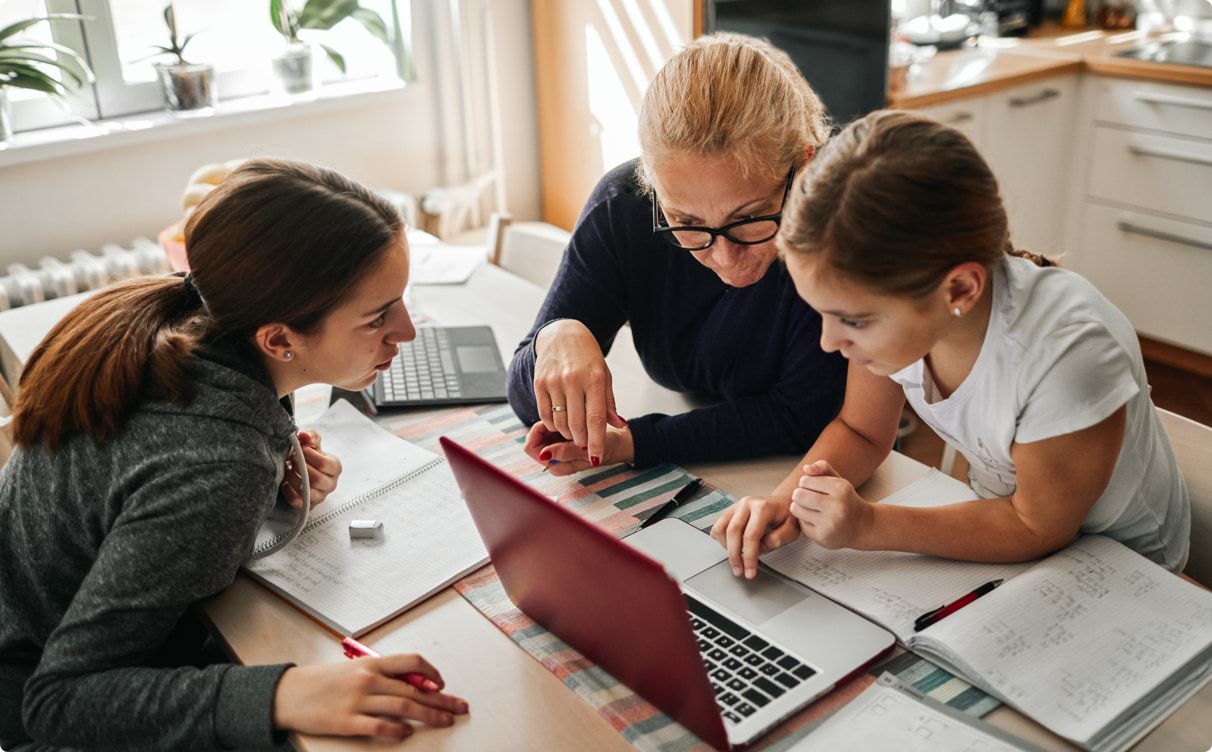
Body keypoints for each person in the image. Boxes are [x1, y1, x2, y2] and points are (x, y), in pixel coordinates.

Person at [0, 160, 469, 751]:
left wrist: (268, 470)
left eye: (401, 301)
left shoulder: (183, 322)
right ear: (278, 340)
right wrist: (285, 695)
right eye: (377, 317)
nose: (406, 332)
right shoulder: (216, 461)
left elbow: (141, 477)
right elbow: (59, 702)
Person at [712, 110, 1190, 578]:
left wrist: (870, 524)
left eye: (851, 320)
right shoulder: (908, 318)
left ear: (960, 290)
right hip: (1003, 523)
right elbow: (861, 430)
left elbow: (1035, 526)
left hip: (1126, 569)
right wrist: (784, 504)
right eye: (822, 313)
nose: (828, 342)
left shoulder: (1068, 353)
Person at [507, 33, 847, 475]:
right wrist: (554, 336)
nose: (725, 257)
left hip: (807, 468)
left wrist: (635, 442)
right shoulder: (622, 208)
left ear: (802, 164)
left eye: (750, 218)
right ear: (651, 183)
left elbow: (800, 416)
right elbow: (523, 399)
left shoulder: (836, 227)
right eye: (686, 224)